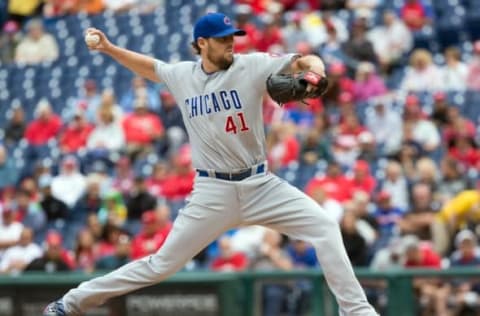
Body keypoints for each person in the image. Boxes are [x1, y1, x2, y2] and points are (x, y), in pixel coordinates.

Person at [43, 12, 377, 316]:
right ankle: (70, 303)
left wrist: (314, 72)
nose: (231, 43)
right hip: (212, 191)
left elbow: (305, 60)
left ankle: (357, 312)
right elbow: (150, 67)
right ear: (202, 43)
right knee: (161, 264)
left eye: (232, 37)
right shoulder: (182, 75)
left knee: (325, 227)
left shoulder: (253, 65)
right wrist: (110, 48)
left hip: (261, 184)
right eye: (222, 39)